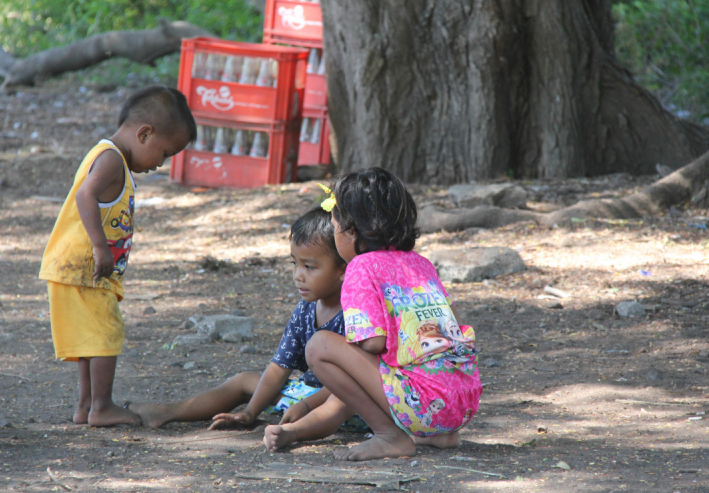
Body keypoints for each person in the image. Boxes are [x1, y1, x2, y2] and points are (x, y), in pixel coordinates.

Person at [127, 207, 367, 449]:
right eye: (295, 263)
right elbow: (279, 367)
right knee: (245, 381)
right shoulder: (305, 309)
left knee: (342, 399)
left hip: (347, 403)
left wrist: (305, 406)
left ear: (343, 269)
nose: (298, 275)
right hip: (303, 396)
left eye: (310, 267)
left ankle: (292, 432)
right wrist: (250, 413)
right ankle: (167, 412)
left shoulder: (356, 313)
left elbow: (356, 381)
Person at [39, 86, 196, 426]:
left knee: (89, 340)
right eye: (164, 153)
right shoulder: (111, 160)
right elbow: (86, 195)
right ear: (144, 134)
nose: (160, 164)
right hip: (86, 265)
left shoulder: (110, 156)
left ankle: (86, 407)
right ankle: (102, 407)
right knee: (106, 334)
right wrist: (99, 246)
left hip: (75, 266)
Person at [305, 168, 482, 461]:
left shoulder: (361, 268)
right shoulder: (421, 263)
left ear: (350, 231)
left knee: (319, 347)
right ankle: (443, 436)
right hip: (462, 403)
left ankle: (389, 436)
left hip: (424, 405)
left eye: (334, 226)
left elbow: (373, 343)